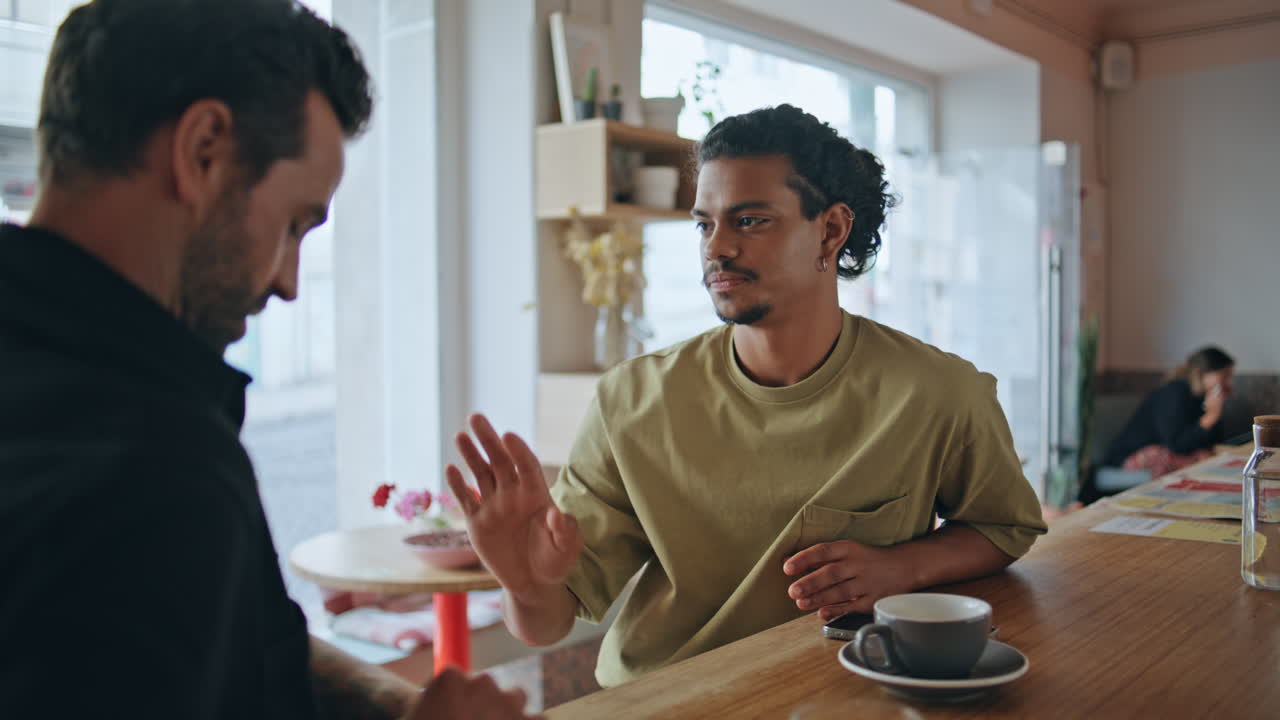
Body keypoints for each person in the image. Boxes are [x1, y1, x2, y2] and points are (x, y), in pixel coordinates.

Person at [0, 1, 535, 718]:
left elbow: (240, 643)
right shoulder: (154, 467)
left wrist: (399, 709)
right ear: (203, 151)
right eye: (293, 224)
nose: (287, 281)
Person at [445, 105, 1048, 687]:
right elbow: (547, 625)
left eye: (750, 220)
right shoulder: (631, 401)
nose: (715, 248)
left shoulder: (938, 393)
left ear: (831, 230)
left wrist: (903, 566)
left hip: (846, 695)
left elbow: (1004, 526)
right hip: (663, 699)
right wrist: (524, 585)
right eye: (705, 223)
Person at [1087, 346, 1235, 498]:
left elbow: (1214, 443)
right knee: (1188, 461)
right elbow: (1177, 445)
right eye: (1224, 376)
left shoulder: (1203, 400)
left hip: (1166, 457)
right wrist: (1210, 417)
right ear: (1203, 374)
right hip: (1126, 461)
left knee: (1209, 459)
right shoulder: (1175, 393)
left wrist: (1214, 415)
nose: (1229, 383)